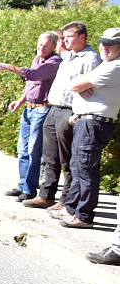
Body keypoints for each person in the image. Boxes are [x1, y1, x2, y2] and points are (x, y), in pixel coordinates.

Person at [24, 21, 101, 209]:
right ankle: (46, 195)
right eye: (64, 37)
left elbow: (92, 87)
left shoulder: (90, 58)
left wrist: (77, 113)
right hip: (54, 109)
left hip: (69, 111)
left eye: (70, 37)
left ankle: (66, 199)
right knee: (49, 157)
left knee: (68, 159)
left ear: (82, 37)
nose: (65, 40)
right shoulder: (68, 57)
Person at [55, 27, 120, 228]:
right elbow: (76, 83)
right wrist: (80, 84)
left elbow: (75, 85)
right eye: (102, 42)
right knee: (77, 165)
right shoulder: (107, 64)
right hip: (87, 120)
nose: (104, 47)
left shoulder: (114, 67)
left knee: (85, 169)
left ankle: (83, 215)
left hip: (95, 122)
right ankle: (71, 207)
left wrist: (80, 83)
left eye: (109, 44)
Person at [0, 31, 61, 202]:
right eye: (39, 44)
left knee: (33, 151)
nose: (41, 47)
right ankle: (22, 185)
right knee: (22, 150)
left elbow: (34, 75)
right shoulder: (37, 59)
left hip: (42, 110)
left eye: (45, 45)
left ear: (53, 47)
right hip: (29, 109)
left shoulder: (54, 62)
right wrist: (21, 101)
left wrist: (6, 66)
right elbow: (31, 84)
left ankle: (29, 190)